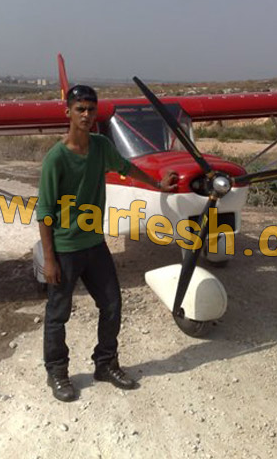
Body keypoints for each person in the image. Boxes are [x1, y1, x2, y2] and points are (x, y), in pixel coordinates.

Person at [37, 85, 178, 402]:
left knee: (112, 303)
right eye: (80, 109)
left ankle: (105, 364)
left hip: (94, 243)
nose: (86, 115)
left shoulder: (101, 146)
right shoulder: (56, 159)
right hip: (65, 247)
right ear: (68, 112)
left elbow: (127, 167)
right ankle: (57, 372)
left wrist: (158, 185)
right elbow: (44, 212)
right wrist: (49, 259)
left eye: (91, 109)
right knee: (58, 314)